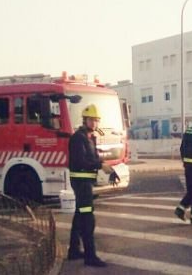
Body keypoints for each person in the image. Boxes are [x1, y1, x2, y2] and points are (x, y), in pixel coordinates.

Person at [67, 104, 107, 267]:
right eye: (91, 120)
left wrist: (102, 164)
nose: (94, 123)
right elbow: (80, 161)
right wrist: (100, 164)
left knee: (79, 217)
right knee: (87, 219)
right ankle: (90, 257)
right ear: (85, 120)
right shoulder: (78, 137)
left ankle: (74, 251)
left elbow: (91, 158)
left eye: (96, 120)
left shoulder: (90, 137)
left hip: (86, 182)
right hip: (81, 183)